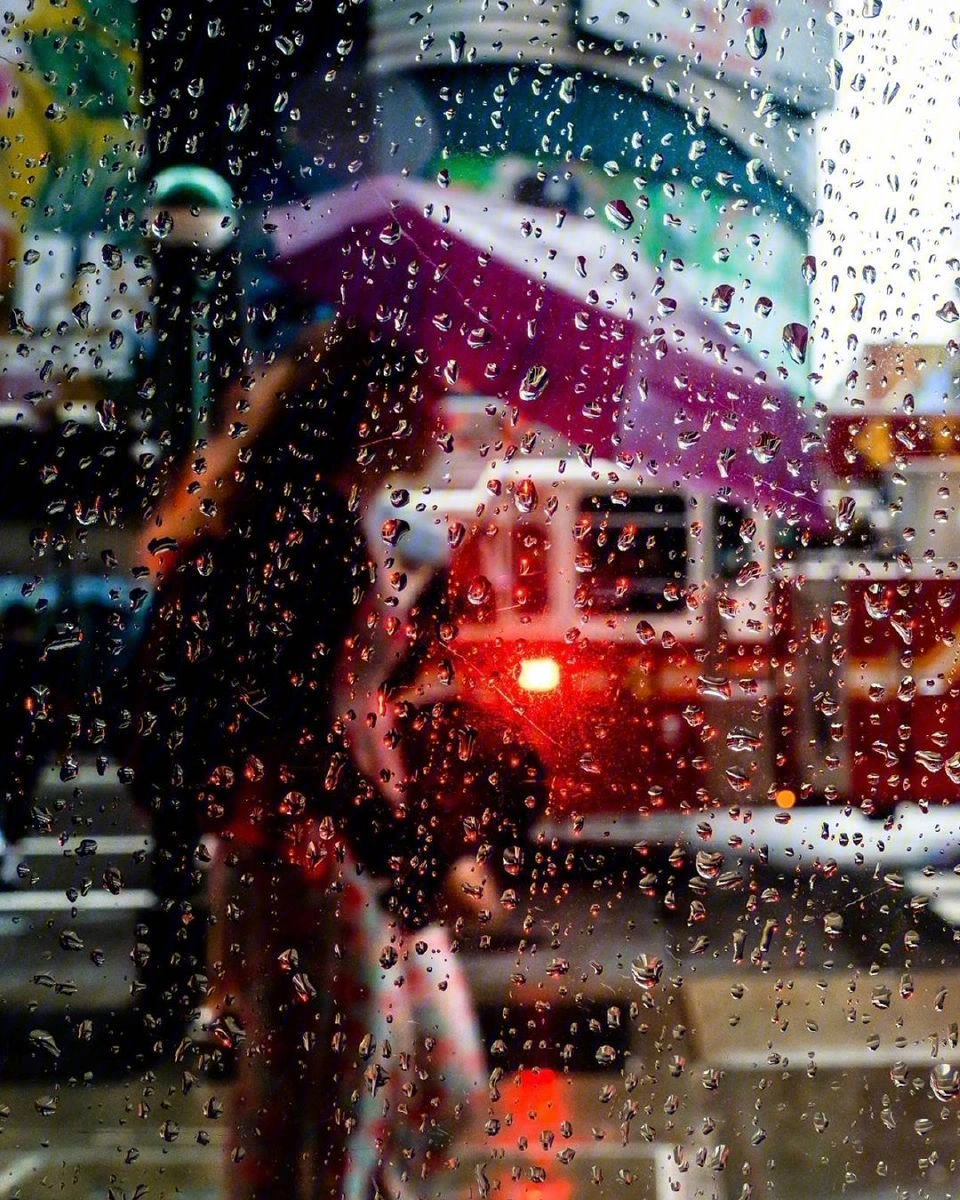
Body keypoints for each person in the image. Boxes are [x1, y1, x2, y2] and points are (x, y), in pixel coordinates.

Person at [127, 320, 441, 1200]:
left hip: (270, 843)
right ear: (370, 405)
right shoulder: (322, 530)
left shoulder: (291, 512)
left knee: (289, 1088)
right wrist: (404, 849)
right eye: (416, 398)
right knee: (341, 1092)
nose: (430, 420)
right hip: (312, 848)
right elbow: (317, 720)